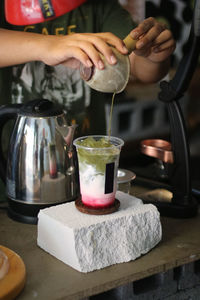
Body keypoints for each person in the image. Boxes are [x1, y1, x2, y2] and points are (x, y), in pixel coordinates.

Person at [0, 0, 176, 135]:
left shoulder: (99, 7)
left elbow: (136, 66)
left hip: (84, 160)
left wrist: (153, 57)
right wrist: (47, 46)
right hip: (11, 159)